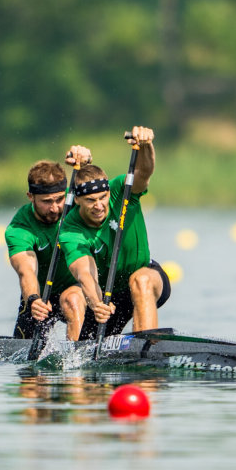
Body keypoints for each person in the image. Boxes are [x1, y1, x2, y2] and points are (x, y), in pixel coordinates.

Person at [59, 126, 170, 338]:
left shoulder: (122, 190)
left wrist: (146, 145)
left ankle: (146, 353)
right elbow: (84, 273)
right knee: (74, 306)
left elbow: (144, 172)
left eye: (102, 197)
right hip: (104, 293)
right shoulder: (71, 229)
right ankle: (79, 361)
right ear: (78, 201)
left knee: (140, 280)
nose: (99, 205)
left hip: (144, 275)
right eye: (91, 201)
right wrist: (96, 303)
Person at [5, 147, 93, 341]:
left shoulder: (75, 202)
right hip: (40, 295)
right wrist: (33, 300)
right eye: (46, 202)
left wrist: (86, 161)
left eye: (59, 199)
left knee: (71, 300)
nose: (55, 208)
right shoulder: (20, 228)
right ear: (31, 197)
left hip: (78, 288)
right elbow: (26, 271)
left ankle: (74, 363)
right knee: (24, 358)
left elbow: (97, 187)